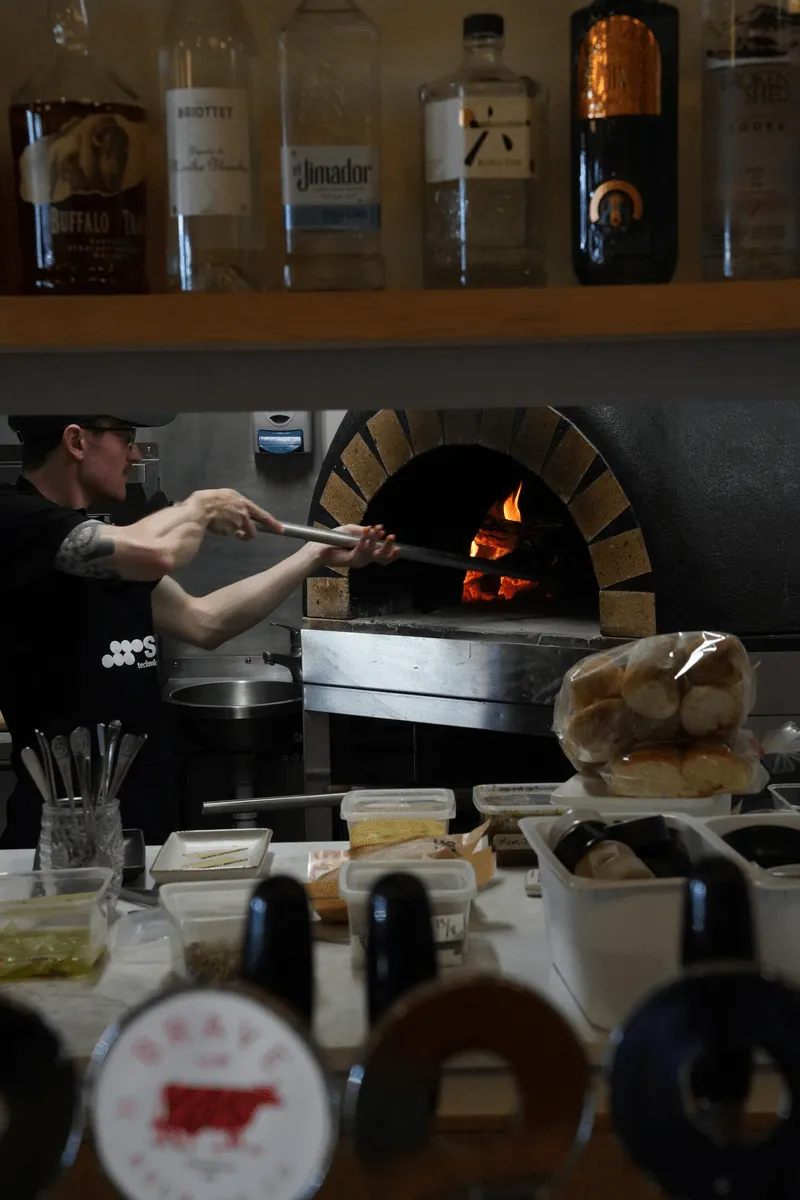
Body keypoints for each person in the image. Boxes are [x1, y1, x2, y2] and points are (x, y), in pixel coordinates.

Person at [0, 414, 396, 848]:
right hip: (61, 832)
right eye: (126, 439)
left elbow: (204, 621)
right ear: (76, 442)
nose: (133, 455)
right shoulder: (17, 521)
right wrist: (197, 508)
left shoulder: (104, 546)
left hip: (140, 821)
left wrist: (314, 555)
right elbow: (156, 554)